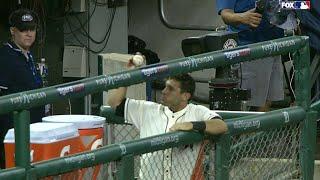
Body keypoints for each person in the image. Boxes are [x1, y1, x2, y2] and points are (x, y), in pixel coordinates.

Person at [107, 61, 228, 179]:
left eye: (170, 88)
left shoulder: (196, 111)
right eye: (165, 87)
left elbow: (221, 125)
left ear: (185, 96)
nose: (164, 91)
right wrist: (128, 75)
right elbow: (114, 102)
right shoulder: (147, 110)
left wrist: (192, 125)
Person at [216, 0, 285, 111]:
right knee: (250, 103)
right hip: (248, 49)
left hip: (274, 46)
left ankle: (260, 128)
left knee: (267, 100)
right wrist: (242, 17)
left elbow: (298, 5)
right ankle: (249, 128)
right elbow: (226, 15)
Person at [0, 9, 44, 168]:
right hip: (11, 135)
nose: (29, 33)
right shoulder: (5, 56)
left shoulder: (27, 55)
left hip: (32, 132)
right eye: (23, 29)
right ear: (13, 31)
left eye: (32, 29)